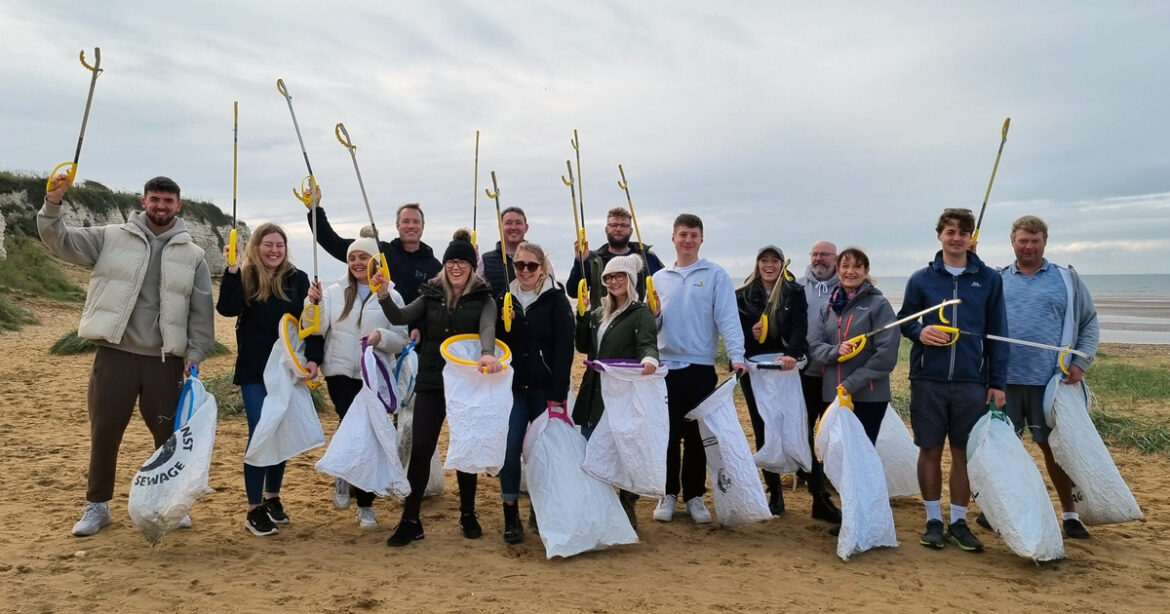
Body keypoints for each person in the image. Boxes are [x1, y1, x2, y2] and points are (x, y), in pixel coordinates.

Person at [39, 174, 215, 538]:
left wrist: (196, 351)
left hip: (164, 361)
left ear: (178, 205)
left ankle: (169, 502)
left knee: (169, 437)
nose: (161, 206)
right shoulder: (110, 236)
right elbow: (61, 241)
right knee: (105, 432)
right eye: (155, 199)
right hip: (114, 355)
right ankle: (97, 505)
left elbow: (201, 311)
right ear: (143, 201)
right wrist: (53, 204)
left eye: (168, 201)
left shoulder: (193, 254)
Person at [374, 239, 502, 547]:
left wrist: (487, 353)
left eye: (462, 262)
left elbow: (488, 329)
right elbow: (400, 317)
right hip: (431, 380)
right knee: (421, 448)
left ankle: (468, 514)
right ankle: (410, 520)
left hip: (466, 382)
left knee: (465, 448)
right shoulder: (430, 295)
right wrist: (382, 296)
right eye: (451, 262)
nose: (456, 267)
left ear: (472, 267)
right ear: (444, 266)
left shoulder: (485, 298)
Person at [899, 208, 1008, 553]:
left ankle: (959, 522)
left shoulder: (989, 279)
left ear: (971, 237)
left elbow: (998, 334)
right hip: (928, 379)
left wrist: (997, 382)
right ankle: (933, 520)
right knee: (929, 450)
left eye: (963, 232)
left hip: (970, 382)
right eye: (950, 231)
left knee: (962, 454)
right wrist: (920, 331)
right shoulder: (921, 279)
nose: (956, 237)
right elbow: (904, 320)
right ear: (939, 236)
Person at [991, 215, 1099, 539]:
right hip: (1003, 382)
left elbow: (1089, 322)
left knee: (1054, 451)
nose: (1028, 246)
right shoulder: (996, 279)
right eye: (1023, 240)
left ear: (1045, 242)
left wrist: (1080, 362)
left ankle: (1069, 515)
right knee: (1004, 451)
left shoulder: (1066, 279)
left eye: (1035, 241)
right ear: (1013, 242)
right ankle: (999, 511)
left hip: (1050, 384)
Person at [216, 223, 324, 537]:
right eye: (268, 244)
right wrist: (232, 271)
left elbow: (310, 324)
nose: (274, 250)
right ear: (256, 247)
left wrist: (314, 358)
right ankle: (253, 509)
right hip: (254, 371)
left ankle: (272, 497)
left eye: (279, 245)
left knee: (281, 430)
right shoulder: (246, 275)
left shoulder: (298, 279)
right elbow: (227, 309)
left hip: (287, 370)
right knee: (261, 432)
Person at [649, 214, 746, 524]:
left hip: (700, 367)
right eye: (682, 234)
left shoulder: (715, 275)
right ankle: (668, 494)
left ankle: (693, 496)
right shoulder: (658, 278)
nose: (687, 240)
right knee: (667, 435)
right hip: (665, 369)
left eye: (693, 235)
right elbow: (652, 325)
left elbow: (728, 318)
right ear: (673, 238)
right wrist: (653, 315)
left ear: (701, 239)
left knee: (696, 436)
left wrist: (737, 355)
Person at [315, 238, 411, 528]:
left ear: (375, 261)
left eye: (363, 257)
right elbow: (317, 329)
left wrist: (381, 337)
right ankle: (344, 476)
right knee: (351, 427)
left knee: (371, 436)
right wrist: (312, 303)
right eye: (352, 257)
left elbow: (402, 338)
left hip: (376, 374)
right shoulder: (333, 292)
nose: (357, 262)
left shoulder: (391, 294)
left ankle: (365, 505)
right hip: (340, 371)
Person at [495, 242, 574, 543]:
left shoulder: (556, 299)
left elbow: (565, 347)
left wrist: (559, 391)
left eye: (531, 265)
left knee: (543, 455)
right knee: (510, 450)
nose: (525, 271)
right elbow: (499, 343)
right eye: (519, 265)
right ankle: (510, 512)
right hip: (513, 389)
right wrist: (506, 326)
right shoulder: (505, 298)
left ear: (542, 267)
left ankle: (540, 511)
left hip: (545, 389)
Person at [574, 255, 660, 528]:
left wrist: (650, 360)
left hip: (623, 391)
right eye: (609, 278)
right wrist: (582, 315)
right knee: (591, 445)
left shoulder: (640, 312)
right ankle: (599, 503)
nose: (614, 281)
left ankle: (627, 501)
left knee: (624, 446)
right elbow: (582, 345)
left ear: (630, 280)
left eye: (620, 276)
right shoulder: (599, 313)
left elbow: (647, 343)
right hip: (595, 389)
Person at [735, 245, 808, 516]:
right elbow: (734, 331)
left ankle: (810, 484)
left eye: (774, 260)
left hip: (784, 367)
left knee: (790, 420)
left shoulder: (794, 292)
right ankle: (774, 492)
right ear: (757, 264)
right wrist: (750, 334)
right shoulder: (743, 294)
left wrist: (791, 354)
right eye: (764, 260)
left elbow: (801, 326)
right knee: (762, 426)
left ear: (781, 264)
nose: (769, 265)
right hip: (755, 369)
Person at [807, 248, 898, 445]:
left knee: (862, 455)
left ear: (866, 271)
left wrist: (851, 384)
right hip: (834, 396)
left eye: (857, 266)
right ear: (837, 269)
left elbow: (886, 355)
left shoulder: (879, 304)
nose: (851, 271)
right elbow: (814, 346)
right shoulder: (827, 307)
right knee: (836, 457)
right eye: (845, 266)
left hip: (869, 397)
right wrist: (835, 351)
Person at [305, 191, 440, 304]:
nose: (411, 226)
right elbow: (334, 243)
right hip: (377, 329)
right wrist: (315, 209)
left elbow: (438, 305)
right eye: (405, 221)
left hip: (414, 334)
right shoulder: (379, 252)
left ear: (423, 226)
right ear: (397, 225)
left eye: (416, 222)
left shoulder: (435, 267)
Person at [796, 239, 842, 524]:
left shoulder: (846, 286)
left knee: (833, 432)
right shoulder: (797, 286)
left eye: (825, 254)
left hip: (835, 373)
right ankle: (814, 484)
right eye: (814, 253)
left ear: (836, 259)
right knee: (804, 429)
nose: (818, 259)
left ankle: (830, 477)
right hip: (803, 372)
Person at [567, 206, 665, 306]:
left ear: (631, 230)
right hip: (604, 319)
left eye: (623, 226)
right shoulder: (593, 260)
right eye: (613, 225)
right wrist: (580, 261)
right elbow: (573, 292)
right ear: (606, 229)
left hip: (640, 318)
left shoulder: (647, 257)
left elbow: (665, 287)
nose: (618, 229)